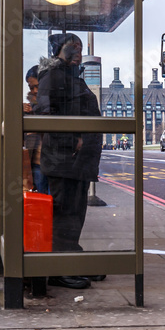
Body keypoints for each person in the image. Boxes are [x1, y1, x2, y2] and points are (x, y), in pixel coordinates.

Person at [35, 32, 105, 289]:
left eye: (79, 46)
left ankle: (72, 256)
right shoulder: (53, 76)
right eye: (71, 47)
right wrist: (72, 141)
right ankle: (58, 268)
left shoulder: (73, 77)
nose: (78, 51)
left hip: (78, 162)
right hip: (65, 160)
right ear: (57, 51)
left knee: (75, 214)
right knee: (65, 214)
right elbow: (45, 114)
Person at [23, 65, 48, 194]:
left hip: (53, 162)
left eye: (37, 86)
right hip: (37, 162)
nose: (35, 91)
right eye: (31, 87)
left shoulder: (53, 103)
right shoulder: (29, 106)